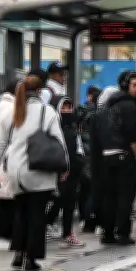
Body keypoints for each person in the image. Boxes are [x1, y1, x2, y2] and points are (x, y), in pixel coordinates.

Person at [0, 75, 67, 271]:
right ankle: (31, 258)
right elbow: (59, 141)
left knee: (21, 212)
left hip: (15, 171)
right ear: (40, 91)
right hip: (38, 170)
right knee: (37, 215)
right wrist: (65, 167)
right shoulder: (47, 112)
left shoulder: (11, 112)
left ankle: (18, 253)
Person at [94, 70, 136, 245]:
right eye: (135, 85)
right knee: (125, 196)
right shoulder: (129, 106)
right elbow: (132, 134)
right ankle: (122, 233)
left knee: (109, 196)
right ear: (125, 86)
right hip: (125, 156)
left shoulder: (104, 109)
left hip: (107, 156)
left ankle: (107, 232)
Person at [44, 96, 86, 247]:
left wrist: (79, 162)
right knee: (56, 200)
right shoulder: (51, 126)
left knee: (69, 202)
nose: (67, 111)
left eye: (69, 107)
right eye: (63, 108)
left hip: (73, 170)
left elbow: (78, 145)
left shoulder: (73, 127)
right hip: (57, 170)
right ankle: (47, 223)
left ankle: (67, 233)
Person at [0, 79, 19, 250]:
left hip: (3, 160)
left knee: (7, 201)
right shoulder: (10, 108)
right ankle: (4, 237)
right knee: (8, 201)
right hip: (7, 161)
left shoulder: (3, 106)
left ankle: (4, 237)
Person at [76, 85, 100, 231]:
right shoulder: (97, 114)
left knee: (83, 189)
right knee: (92, 188)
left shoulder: (80, 111)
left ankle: (83, 217)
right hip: (92, 154)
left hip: (81, 153)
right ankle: (89, 220)